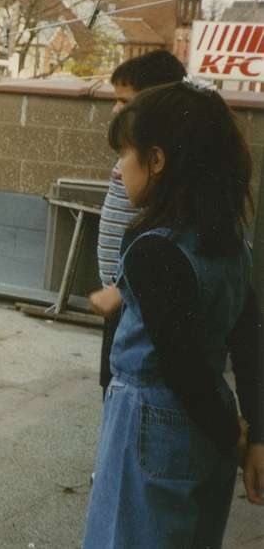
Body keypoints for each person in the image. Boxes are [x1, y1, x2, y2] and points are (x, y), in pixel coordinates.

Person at [83, 82, 264, 549]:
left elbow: (179, 365)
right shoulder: (231, 245)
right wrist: (253, 431)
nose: (120, 169)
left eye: (125, 154)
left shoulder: (150, 247)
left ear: (157, 160)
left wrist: (237, 435)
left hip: (151, 428)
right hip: (209, 432)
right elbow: (248, 342)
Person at [91, 50, 187, 396]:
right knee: (113, 384)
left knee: (131, 384)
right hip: (119, 294)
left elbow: (167, 239)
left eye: (124, 101)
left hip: (134, 298)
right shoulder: (134, 152)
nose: (116, 109)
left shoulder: (164, 171)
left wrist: (122, 289)